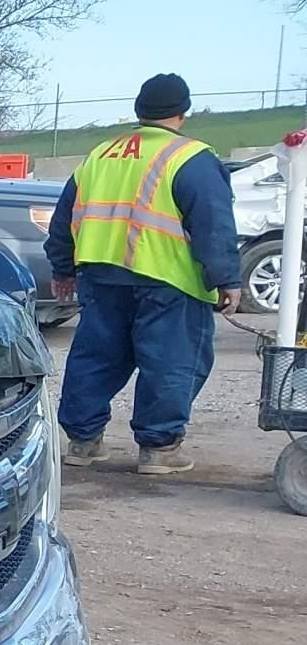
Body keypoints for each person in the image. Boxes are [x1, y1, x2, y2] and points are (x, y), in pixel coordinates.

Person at [45, 73, 243, 475]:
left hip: (101, 274)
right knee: (170, 361)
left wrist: (63, 268)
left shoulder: (100, 154)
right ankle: (159, 448)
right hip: (167, 278)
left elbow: (64, 216)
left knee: (96, 357)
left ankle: (83, 442)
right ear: (182, 113)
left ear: (139, 111)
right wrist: (226, 278)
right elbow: (213, 223)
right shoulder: (191, 157)